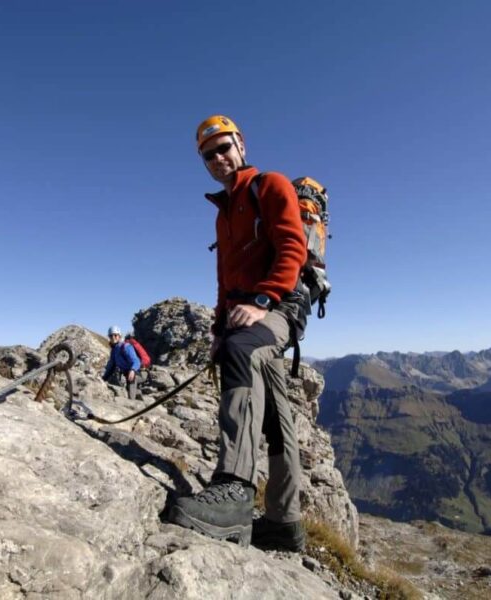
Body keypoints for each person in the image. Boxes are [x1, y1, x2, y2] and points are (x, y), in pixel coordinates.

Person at [168, 115, 308, 551]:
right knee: (272, 412)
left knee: (244, 350)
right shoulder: (224, 214)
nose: (217, 159)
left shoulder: (271, 186)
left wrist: (263, 300)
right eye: (208, 155)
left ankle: (234, 489)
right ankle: (285, 524)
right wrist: (216, 327)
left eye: (223, 148)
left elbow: (292, 246)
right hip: (247, 307)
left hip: (280, 304)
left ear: (241, 145)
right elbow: (225, 281)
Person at [102, 325, 140, 399]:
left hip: (137, 372)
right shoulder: (114, 350)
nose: (113, 337)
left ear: (119, 336)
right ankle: (138, 396)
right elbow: (111, 366)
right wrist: (103, 379)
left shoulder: (126, 347)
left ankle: (132, 403)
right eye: (111, 336)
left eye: (115, 335)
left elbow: (136, 361)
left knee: (131, 386)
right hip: (126, 373)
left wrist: (132, 370)